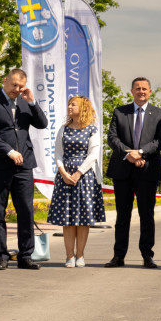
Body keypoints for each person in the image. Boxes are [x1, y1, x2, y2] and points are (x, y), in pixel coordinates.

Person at [0, 68, 49, 270]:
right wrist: (8, 151)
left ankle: (26, 256)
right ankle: (1, 255)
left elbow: (42, 124)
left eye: (20, 86)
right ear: (5, 80)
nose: (16, 89)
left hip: (24, 165)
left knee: (26, 211)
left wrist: (33, 101)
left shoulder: (26, 102)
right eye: (13, 85)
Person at [104, 77, 161, 268]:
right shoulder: (119, 112)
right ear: (131, 91)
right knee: (122, 216)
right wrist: (129, 154)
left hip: (147, 171)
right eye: (137, 88)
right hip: (122, 170)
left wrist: (140, 153)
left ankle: (147, 255)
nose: (141, 91)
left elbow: (160, 141)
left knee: (146, 216)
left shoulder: (159, 114)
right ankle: (118, 256)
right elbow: (112, 138)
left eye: (144, 89)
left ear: (150, 92)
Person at [47, 96, 105, 268]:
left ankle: (80, 255)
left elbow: (93, 155)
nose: (70, 107)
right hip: (65, 176)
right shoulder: (63, 129)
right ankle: (69, 256)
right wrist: (63, 172)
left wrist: (79, 172)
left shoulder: (92, 130)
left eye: (73, 104)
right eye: (69, 104)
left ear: (83, 108)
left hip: (85, 176)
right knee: (68, 219)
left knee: (83, 219)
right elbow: (58, 152)